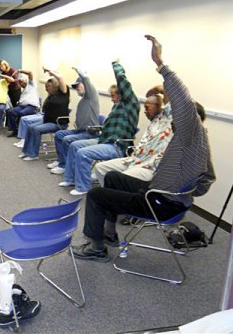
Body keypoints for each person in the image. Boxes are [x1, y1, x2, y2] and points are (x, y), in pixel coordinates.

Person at [71, 35, 216, 262]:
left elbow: (183, 103)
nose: (172, 118)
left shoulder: (190, 132)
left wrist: (161, 64)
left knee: (96, 194)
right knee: (112, 177)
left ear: (191, 119)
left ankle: (96, 248)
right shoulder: (199, 144)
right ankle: (109, 233)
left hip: (161, 203)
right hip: (164, 194)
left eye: (176, 115)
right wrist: (183, 191)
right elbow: (207, 180)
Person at [59, 60, 140, 195]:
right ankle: (71, 178)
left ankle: (83, 187)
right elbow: (107, 128)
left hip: (117, 146)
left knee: (83, 153)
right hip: (105, 140)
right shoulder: (117, 108)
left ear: (122, 94)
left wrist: (115, 64)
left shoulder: (131, 104)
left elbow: (123, 81)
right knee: (74, 146)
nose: (112, 99)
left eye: (113, 96)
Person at [94, 87, 173, 187]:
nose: (144, 111)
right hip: (134, 160)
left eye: (147, 107)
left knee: (120, 179)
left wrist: (157, 89)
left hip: (149, 166)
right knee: (100, 168)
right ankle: (111, 196)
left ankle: (116, 197)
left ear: (157, 106)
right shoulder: (155, 122)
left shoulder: (168, 120)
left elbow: (172, 95)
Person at [47, 67, 100, 174]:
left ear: (85, 85)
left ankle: (63, 166)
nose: (76, 88)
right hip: (80, 131)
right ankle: (62, 160)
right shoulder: (83, 99)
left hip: (90, 133)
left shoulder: (92, 96)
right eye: (75, 87)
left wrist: (84, 76)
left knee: (67, 139)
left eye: (78, 85)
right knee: (59, 134)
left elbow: (89, 85)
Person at [19, 67, 70, 161]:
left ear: (55, 86)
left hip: (58, 123)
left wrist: (52, 73)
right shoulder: (51, 96)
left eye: (48, 87)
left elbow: (61, 79)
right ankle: (26, 151)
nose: (46, 89)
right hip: (48, 120)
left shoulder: (63, 94)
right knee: (30, 127)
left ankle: (33, 154)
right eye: (46, 87)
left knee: (36, 129)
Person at [6, 69, 41, 137]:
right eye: (20, 83)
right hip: (22, 106)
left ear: (27, 80)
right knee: (10, 111)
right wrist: (19, 102)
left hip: (32, 107)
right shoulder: (23, 92)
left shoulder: (32, 85)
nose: (21, 83)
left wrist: (19, 71)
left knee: (22, 113)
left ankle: (22, 131)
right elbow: (21, 101)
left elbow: (30, 72)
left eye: (23, 81)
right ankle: (14, 131)